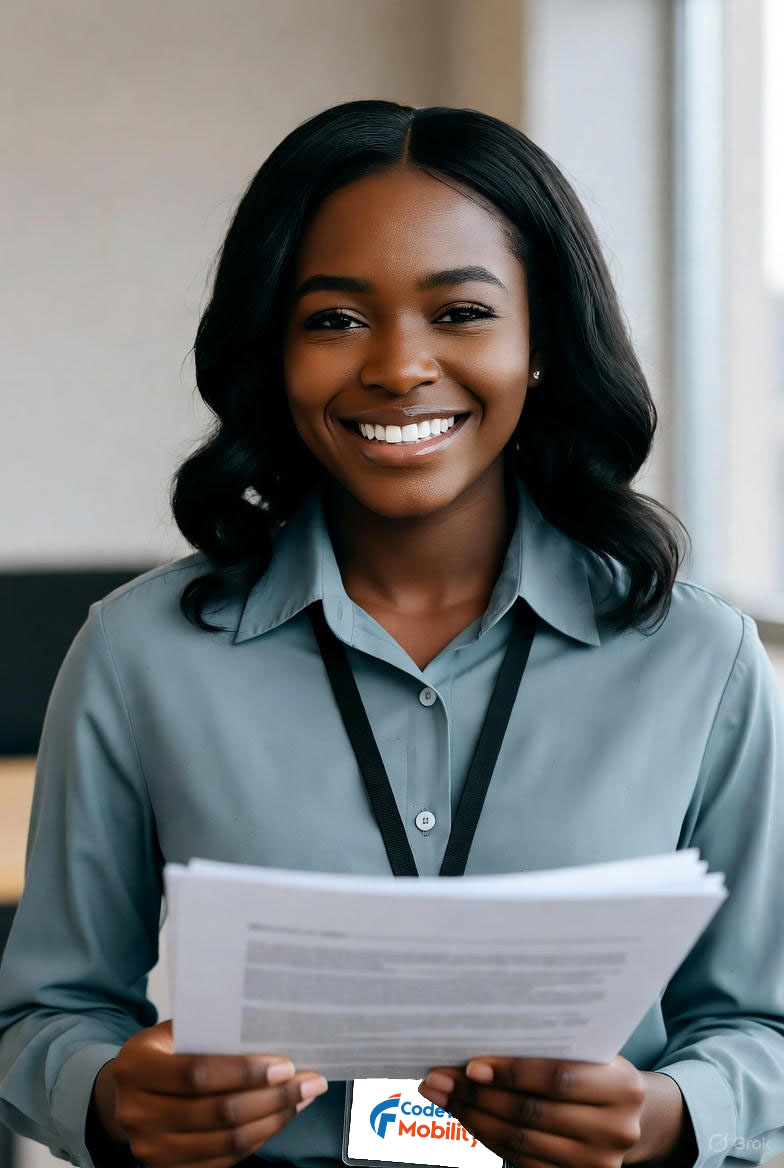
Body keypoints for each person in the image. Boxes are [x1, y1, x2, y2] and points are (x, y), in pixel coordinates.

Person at [0, 98, 783, 1168]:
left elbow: (762, 1024)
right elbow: (41, 1014)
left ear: (541, 342)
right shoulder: (138, 655)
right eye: (334, 319)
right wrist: (112, 1096)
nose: (398, 366)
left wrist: (672, 1115)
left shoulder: (702, 660)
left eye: (460, 312)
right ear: (273, 349)